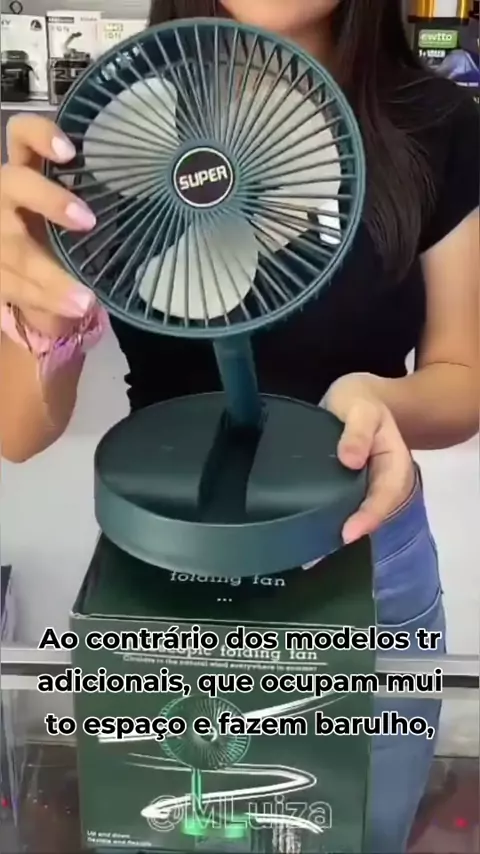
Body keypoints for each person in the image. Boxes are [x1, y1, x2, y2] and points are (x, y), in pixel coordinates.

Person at [0, 0, 478, 850]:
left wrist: (380, 399)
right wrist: (42, 311)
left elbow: (463, 380)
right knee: (172, 824)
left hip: (363, 552)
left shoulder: (436, 124)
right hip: (163, 564)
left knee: (354, 828)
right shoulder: (118, 119)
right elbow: (17, 432)